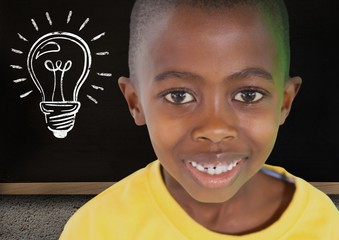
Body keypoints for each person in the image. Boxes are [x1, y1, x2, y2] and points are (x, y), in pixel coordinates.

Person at [59, 0, 339, 239]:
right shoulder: (96, 229)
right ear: (135, 102)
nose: (215, 129)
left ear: (284, 102)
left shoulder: (324, 224)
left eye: (249, 95)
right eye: (179, 96)